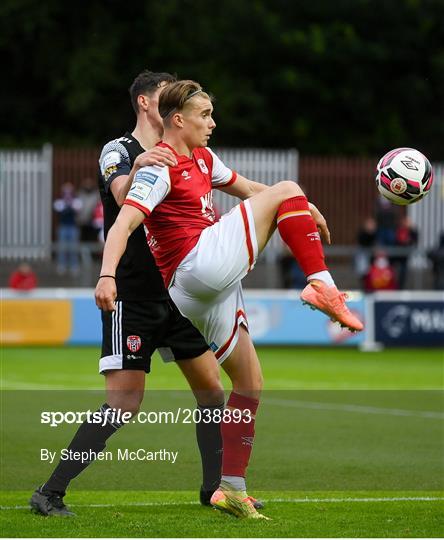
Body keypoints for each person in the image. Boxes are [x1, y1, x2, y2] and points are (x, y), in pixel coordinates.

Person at [95, 80, 364, 517]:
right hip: (195, 267)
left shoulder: (203, 158)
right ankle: (321, 284)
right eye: (205, 115)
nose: (212, 123)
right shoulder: (157, 167)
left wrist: (300, 205)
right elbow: (122, 226)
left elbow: (249, 188)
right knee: (288, 186)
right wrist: (108, 275)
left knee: (250, 384)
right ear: (177, 119)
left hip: (202, 294)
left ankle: (232, 488)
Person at [31, 71, 254, 519]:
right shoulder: (121, 151)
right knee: (125, 404)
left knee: (212, 393)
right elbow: (120, 193)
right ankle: (49, 492)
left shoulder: (191, 155)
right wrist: (139, 169)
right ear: (145, 104)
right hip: (131, 297)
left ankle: (215, 490)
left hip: (181, 297)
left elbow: (240, 189)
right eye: (162, 95)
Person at [53, 182, 82, 275]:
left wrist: (69, 204)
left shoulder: (76, 201)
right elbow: (59, 209)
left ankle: (74, 265)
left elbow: (77, 209)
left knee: (73, 247)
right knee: (62, 246)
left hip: (73, 227)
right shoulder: (59, 201)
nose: (68, 193)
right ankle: (62, 265)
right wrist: (67, 203)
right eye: (66, 191)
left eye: (69, 191)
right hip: (63, 227)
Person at [392, 215, 418, 289]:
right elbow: (395, 241)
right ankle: (393, 286)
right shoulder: (397, 229)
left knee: (403, 273)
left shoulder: (412, 231)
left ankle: (401, 287)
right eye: (405, 222)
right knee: (394, 272)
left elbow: (415, 240)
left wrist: (412, 230)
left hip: (405, 256)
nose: (406, 223)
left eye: (408, 222)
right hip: (395, 255)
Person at [354, 217, 377, 289]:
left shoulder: (375, 234)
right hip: (363, 256)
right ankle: (364, 288)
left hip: (371, 257)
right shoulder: (362, 233)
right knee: (363, 273)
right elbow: (363, 242)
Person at [76, 177, 100, 242]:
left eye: (89, 184)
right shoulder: (80, 194)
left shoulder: (96, 194)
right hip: (82, 222)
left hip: (92, 222)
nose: (88, 186)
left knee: (92, 239)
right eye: (86, 184)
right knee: (82, 239)